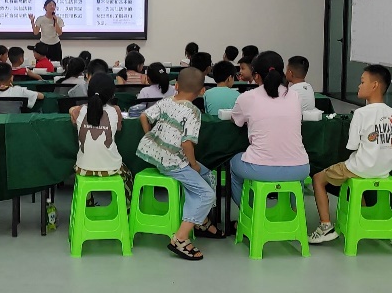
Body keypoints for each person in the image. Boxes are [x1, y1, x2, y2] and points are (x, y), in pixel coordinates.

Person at [137, 68, 221, 261]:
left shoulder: (166, 101)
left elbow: (143, 116)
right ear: (202, 91)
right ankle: (180, 239)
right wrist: (193, 164)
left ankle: (200, 221)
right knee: (206, 193)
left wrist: (150, 136)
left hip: (159, 157)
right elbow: (187, 143)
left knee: (207, 175)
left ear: (175, 86)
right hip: (174, 163)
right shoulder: (193, 111)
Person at [308, 65, 392, 244]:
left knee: (318, 178)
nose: (359, 86)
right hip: (384, 170)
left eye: (362, 82)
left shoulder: (361, 114)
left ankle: (325, 227)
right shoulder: (390, 113)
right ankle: (361, 218)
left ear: (375, 85)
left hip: (361, 168)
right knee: (357, 179)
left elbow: (352, 146)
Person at [230, 51, 309, 220]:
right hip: (300, 168)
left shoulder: (247, 98)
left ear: (256, 76)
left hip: (261, 168)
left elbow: (236, 121)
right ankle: (294, 215)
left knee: (233, 164)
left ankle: (250, 215)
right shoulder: (295, 96)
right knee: (296, 177)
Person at [70, 73, 133, 206]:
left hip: (83, 168)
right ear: (111, 94)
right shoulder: (116, 110)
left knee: (83, 182)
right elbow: (119, 128)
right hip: (112, 168)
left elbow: (74, 114)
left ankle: (88, 207)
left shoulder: (79, 110)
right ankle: (125, 209)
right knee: (128, 176)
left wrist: (71, 109)